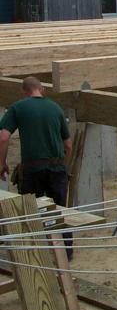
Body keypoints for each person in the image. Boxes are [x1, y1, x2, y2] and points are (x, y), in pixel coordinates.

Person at [0, 76, 73, 256]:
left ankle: (35, 253)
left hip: (32, 169)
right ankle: (66, 251)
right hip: (57, 168)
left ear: (24, 91)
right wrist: (63, 167)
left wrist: (2, 163)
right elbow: (68, 145)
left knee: (30, 211)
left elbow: (3, 137)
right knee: (59, 210)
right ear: (42, 89)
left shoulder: (18, 107)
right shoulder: (56, 108)